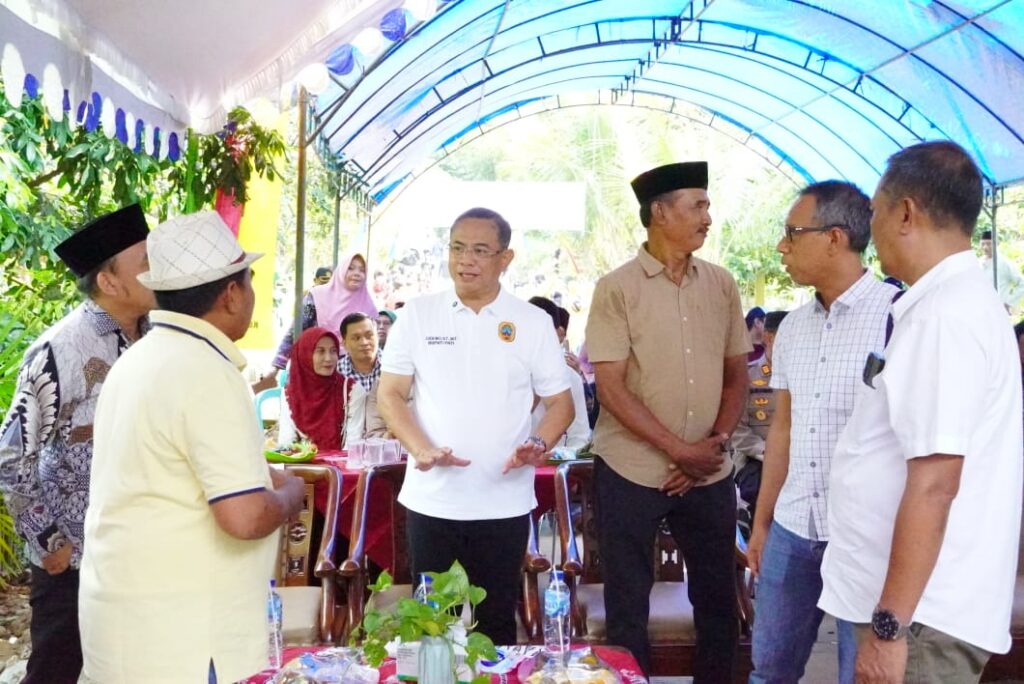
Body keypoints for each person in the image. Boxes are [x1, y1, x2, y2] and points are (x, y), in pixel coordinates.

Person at [819, 141, 1023, 683]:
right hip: (918, 613)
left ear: (905, 213)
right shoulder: (949, 303)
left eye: (875, 211)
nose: (871, 228)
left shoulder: (945, 316)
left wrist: (889, 629)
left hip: (921, 622)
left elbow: (935, 484)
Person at [79, 211, 305, 684]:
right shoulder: (205, 369)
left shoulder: (138, 359)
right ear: (231, 293)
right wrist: (291, 494)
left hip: (126, 625)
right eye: (250, 281)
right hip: (183, 640)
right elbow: (244, 518)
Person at [377, 207, 573, 644]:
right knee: (431, 629)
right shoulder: (418, 315)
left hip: (503, 501)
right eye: (458, 248)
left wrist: (538, 442)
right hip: (433, 501)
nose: (466, 260)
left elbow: (561, 404)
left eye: (480, 251)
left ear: (506, 258)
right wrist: (421, 448)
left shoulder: (532, 322)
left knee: (496, 627)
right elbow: (390, 395)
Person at [585, 161, 750, 679]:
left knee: (718, 600)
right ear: (660, 213)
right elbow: (610, 388)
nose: (708, 218)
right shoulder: (616, 288)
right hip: (631, 469)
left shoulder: (721, 283)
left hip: (710, 470)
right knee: (627, 604)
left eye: (707, 206)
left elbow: (737, 376)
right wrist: (680, 451)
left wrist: (713, 445)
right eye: (697, 206)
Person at [747, 181, 895, 684]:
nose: (781, 247)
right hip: (793, 525)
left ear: (835, 238)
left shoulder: (897, 318)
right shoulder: (792, 327)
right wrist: (763, 521)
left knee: (861, 674)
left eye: (792, 233)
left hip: (866, 537)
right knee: (769, 671)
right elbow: (783, 429)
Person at [0, 205, 153, 684]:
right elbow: (10, 455)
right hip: (73, 560)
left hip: (136, 551)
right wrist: (49, 540)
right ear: (109, 282)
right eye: (146, 261)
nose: (160, 269)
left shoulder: (157, 337)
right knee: (57, 672)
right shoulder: (61, 349)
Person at [268, 253, 377, 375]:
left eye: (362, 270)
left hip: (356, 373)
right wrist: (277, 366)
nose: (357, 273)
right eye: (350, 268)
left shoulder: (369, 305)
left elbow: (375, 344)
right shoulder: (316, 296)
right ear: (341, 271)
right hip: (319, 368)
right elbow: (296, 330)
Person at [731, 309, 787, 537]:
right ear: (769, 338)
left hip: (797, 458)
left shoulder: (805, 377)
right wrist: (767, 452)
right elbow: (737, 431)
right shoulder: (750, 376)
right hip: (756, 458)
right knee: (759, 488)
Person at [528, 296, 591, 451]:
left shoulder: (570, 377)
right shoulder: (506, 374)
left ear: (558, 333)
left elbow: (579, 438)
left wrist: (555, 456)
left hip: (553, 461)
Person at [279, 326, 355, 451]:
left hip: (344, 462)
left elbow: (353, 446)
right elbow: (286, 444)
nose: (328, 358)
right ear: (305, 354)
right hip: (302, 462)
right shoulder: (290, 393)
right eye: (320, 351)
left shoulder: (350, 390)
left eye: (333, 351)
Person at [338, 312, 387, 445]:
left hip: (387, 445)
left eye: (369, 335)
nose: (364, 342)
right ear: (344, 343)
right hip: (345, 446)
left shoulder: (393, 369)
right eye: (356, 338)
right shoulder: (337, 373)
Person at [979, 229, 1024, 312]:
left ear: (996, 244)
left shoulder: (1004, 263)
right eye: (983, 244)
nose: (985, 247)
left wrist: (1009, 302)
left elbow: (1022, 283)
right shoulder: (979, 262)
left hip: (999, 308)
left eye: (988, 244)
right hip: (982, 308)